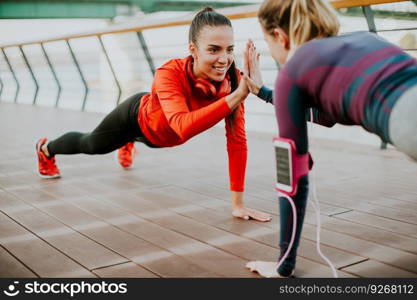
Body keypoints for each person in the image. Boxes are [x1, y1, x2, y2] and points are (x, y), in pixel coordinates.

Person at [35, 7, 271, 222]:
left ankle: (128, 143)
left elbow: (237, 141)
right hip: (135, 119)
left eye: (229, 49)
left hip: (160, 138)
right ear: (193, 50)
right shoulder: (170, 73)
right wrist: (237, 97)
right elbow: (181, 126)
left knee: (152, 140)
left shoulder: (233, 82)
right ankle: (46, 148)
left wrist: (238, 205)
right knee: (91, 144)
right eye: (213, 49)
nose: (224, 59)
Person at [245, 0, 417, 277]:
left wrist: (283, 266)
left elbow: (291, 178)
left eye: (268, 42)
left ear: (279, 35)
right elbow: (328, 114)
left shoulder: (293, 71)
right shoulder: (365, 38)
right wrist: (263, 92)